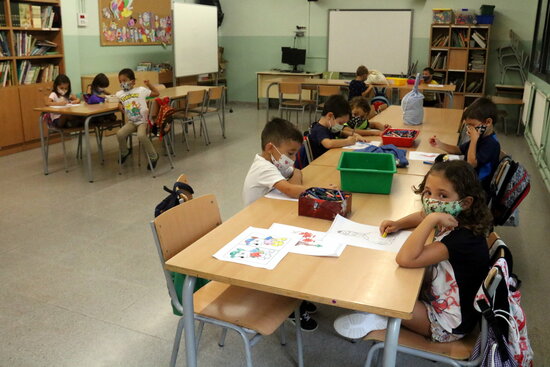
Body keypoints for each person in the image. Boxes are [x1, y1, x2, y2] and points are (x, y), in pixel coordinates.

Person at [334, 160, 492, 342]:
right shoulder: (453, 215)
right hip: (436, 296)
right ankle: (378, 314)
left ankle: (380, 318)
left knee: (386, 289)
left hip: (447, 323)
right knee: (391, 278)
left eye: (442, 195)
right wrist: (399, 223)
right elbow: (422, 215)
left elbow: (406, 258)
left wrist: (431, 220)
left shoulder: (462, 239)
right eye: (428, 192)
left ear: (465, 203)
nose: (432, 200)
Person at [242, 117, 320, 332]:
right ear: (270, 148)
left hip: (271, 218)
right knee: (297, 254)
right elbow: (290, 189)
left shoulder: (274, 161)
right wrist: (322, 192)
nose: (293, 159)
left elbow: (297, 174)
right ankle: (291, 303)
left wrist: (295, 182)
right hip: (256, 229)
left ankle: (296, 297)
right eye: (291, 153)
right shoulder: (262, 167)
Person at [429, 97, 500, 192]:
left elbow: (471, 163)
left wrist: (474, 140)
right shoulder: (481, 137)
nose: (469, 129)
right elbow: (458, 150)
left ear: (488, 122)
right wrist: (440, 144)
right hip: (468, 178)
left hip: (477, 187)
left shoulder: (491, 144)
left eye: (472, 125)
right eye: (467, 125)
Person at [116, 68, 160, 170]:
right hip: (132, 122)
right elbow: (120, 101)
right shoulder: (120, 94)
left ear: (133, 81)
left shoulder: (141, 90)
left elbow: (156, 93)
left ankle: (154, 156)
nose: (122, 83)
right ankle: (125, 152)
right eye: (120, 81)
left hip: (143, 121)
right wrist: (119, 104)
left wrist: (149, 85)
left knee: (141, 135)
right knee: (120, 134)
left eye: (124, 80)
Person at [305, 94, 366, 162]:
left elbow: (341, 133)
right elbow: (328, 143)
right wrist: (348, 141)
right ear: (330, 116)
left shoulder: (329, 127)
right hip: (320, 162)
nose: (341, 126)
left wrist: (355, 135)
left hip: (328, 158)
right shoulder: (319, 129)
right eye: (340, 123)